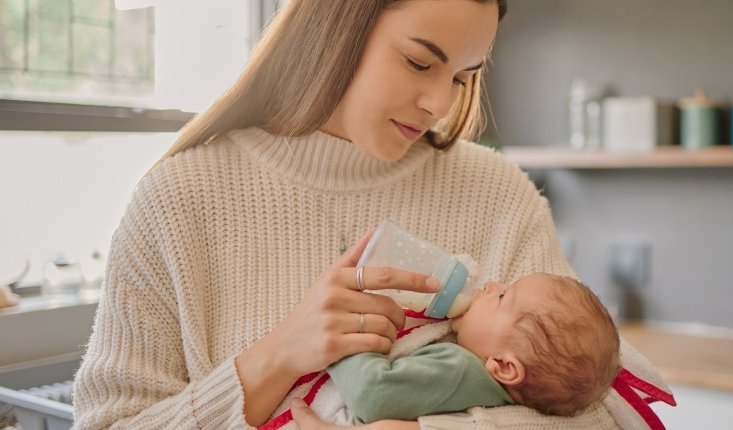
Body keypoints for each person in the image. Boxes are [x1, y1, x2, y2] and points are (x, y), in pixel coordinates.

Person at [72, 1, 667, 429]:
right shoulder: (179, 199)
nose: (440, 104)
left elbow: (604, 411)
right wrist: (276, 357)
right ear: (338, 24)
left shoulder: (499, 195)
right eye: (418, 63)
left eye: (463, 77)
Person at [275, 273, 620, 425]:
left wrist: (347, 332)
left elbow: (372, 393)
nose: (490, 285)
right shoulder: (481, 384)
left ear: (503, 365)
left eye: (502, 297)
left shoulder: (457, 370)